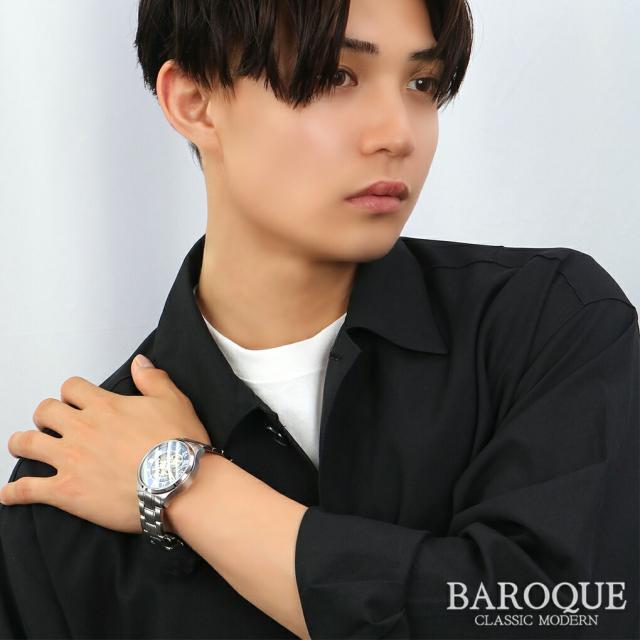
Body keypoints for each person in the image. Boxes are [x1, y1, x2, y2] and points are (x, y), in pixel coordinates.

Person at [1, 0, 638, 638]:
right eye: (337, 77)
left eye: (421, 83)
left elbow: (567, 615)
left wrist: (185, 486)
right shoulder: (72, 481)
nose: (398, 134)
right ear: (195, 102)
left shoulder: (550, 326)